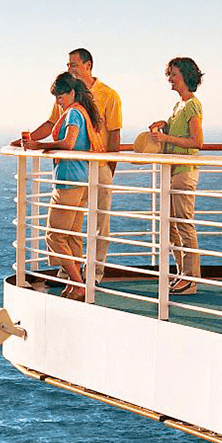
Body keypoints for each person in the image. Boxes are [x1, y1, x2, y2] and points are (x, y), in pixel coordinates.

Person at [15, 72, 102, 300]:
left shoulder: (73, 113)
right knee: (71, 236)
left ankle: (78, 284)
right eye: (56, 97)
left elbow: (69, 143)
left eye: (61, 96)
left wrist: (39, 145)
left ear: (72, 93)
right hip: (81, 180)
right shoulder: (82, 112)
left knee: (54, 236)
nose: (58, 102)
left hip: (69, 181)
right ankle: (74, 284)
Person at [146, 57, 205, 294]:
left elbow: (197, 141)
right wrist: (164, 125)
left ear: (185, 76)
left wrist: (166, 137)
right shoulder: (178, 106)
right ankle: (182, 273)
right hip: (173, 171)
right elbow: (179, 134)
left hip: (184, 171)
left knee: (183, 224)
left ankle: (191, 279)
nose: (170, 79)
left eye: (174, 74)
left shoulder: (192, 105)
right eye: (169, 74)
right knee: (172, 226)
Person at [66, 49, 124, 282]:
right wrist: (30, 141)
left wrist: (110, 167)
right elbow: (52, 122)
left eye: (73, 65)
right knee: (71, 221)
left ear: (88, 65)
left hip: (99, 165)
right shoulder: (68, 93)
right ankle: (70, 270)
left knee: (100, 222)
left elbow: (115, 134)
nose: (69, 69)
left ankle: (94, 272)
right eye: (68, 65)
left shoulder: (109, 95)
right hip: (74, 167)